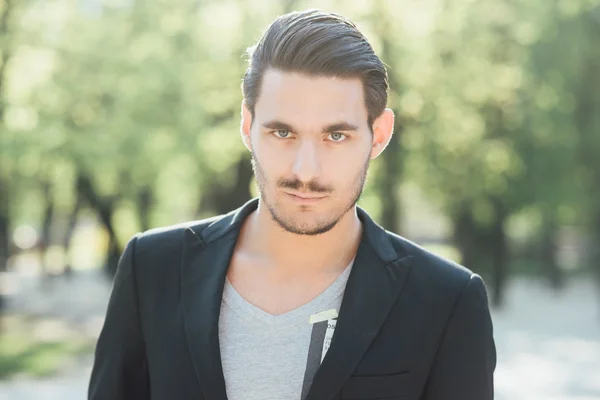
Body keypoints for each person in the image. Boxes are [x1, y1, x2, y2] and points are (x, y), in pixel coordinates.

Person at [88, 9, 496, 400]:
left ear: (380, 133)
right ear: (248, 126)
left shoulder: (445, 301)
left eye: (336, 136)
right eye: (283, 132)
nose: (306, 170)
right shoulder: (152, 269)